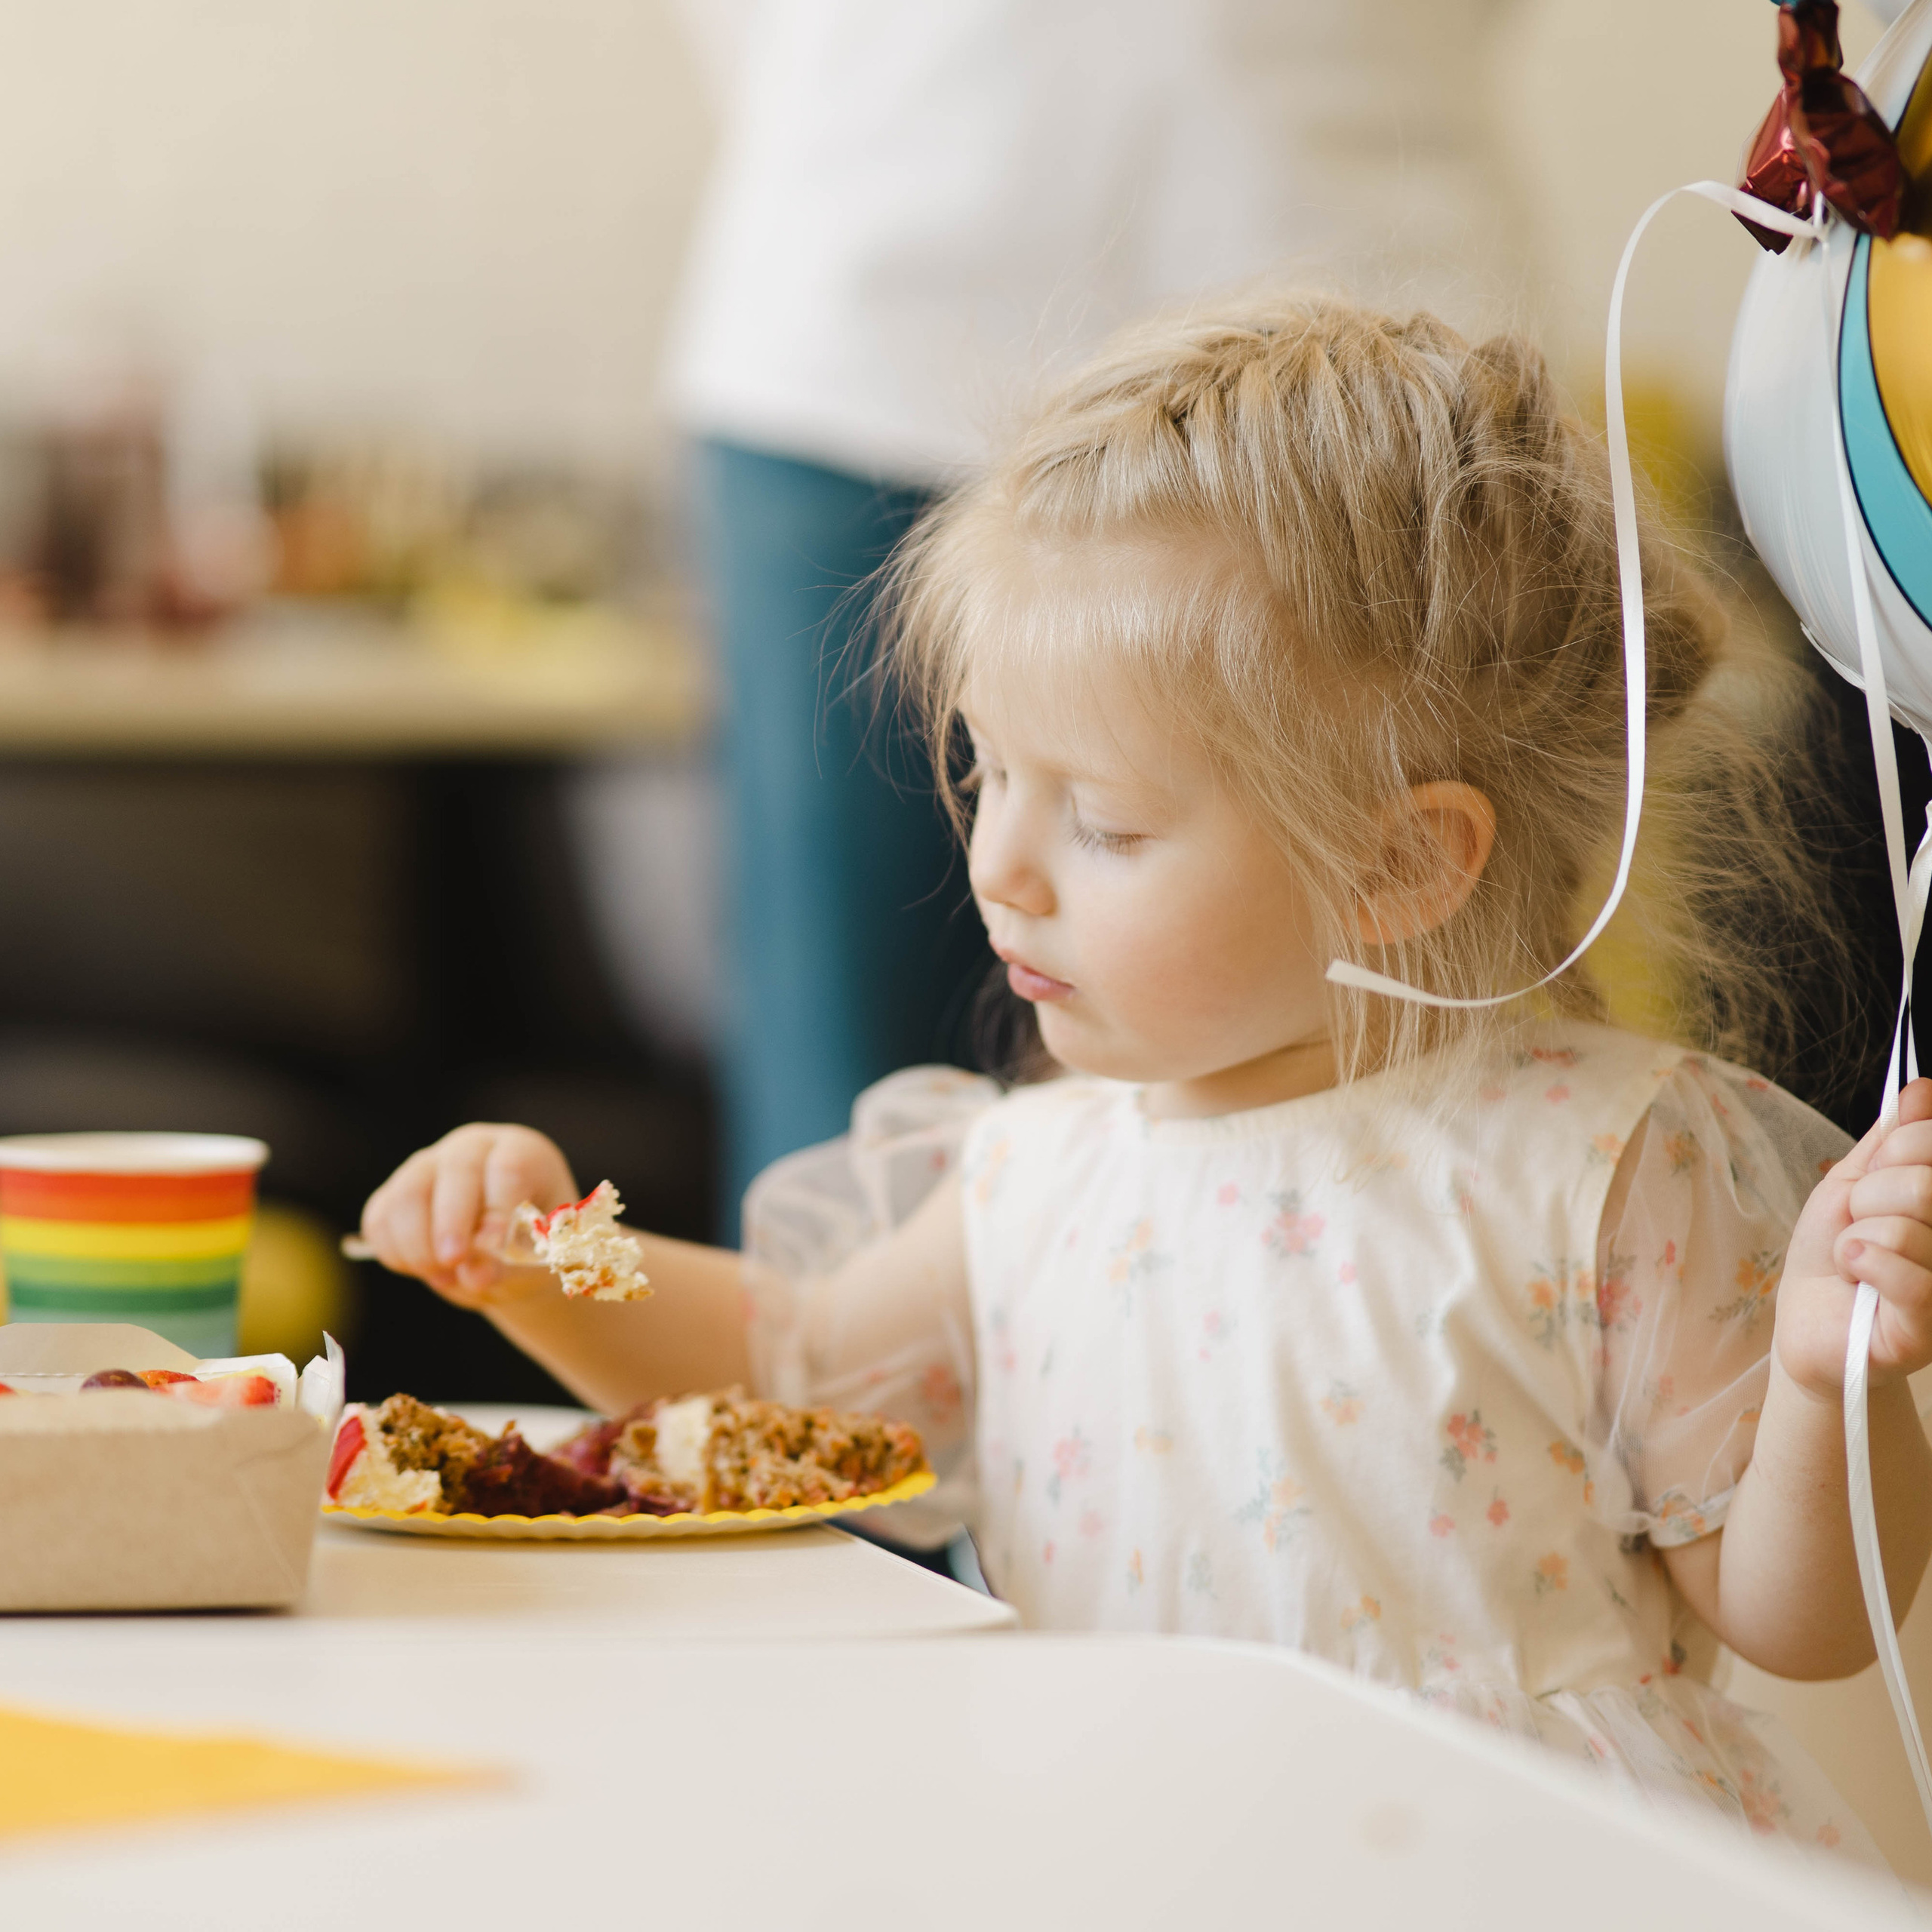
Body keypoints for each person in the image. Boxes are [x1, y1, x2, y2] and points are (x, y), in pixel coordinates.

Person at [361, 296, 1932, 1857]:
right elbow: (785, 1366)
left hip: (1504, 1867)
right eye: (982, 769)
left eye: (1102, 821)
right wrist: (543, 1249)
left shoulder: (1600, 1162)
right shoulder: (1036, 1174)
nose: (1000, 868)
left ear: (1397, 861)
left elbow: (1795, 1621)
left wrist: (1818, 1378)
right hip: (1115, 1846)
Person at [663, 0, 1532, 1227]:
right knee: (843, 1061)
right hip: (864, 331)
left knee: (1418, 1114)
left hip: (1343, 318)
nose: (998, 864)